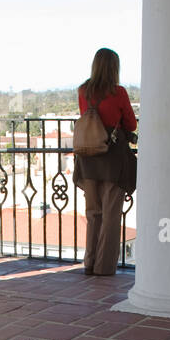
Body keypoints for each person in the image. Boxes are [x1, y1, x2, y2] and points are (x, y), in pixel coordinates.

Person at [73, 48, 137, 276]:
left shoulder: (83, 91)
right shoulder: (118, 93)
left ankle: (89, 262)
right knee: (111, 215)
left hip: (88, 158)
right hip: (112, 159)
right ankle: (104, 266)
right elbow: (130, 124)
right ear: (114, 68)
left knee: (93, 213)